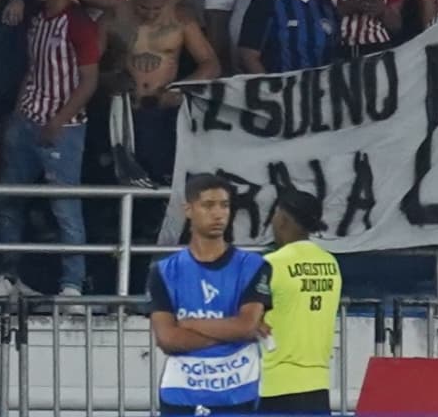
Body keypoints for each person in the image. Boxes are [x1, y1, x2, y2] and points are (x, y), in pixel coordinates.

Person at [145, 174, 271, 415]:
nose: (218, 214)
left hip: (238, 393)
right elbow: (167, 340)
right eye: (208, 205)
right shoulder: (164, 271)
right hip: (181, 393)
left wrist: (190, 324)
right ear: (188, 210)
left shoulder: (252, 266)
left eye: (224, 205)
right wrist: (232, 331)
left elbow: (245, 325)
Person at [257, 184, 346, 414]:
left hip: (277, 384)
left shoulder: (272, 264)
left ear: (283, 219)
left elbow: (249, 318)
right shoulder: (330, 264)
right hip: (318, 384)